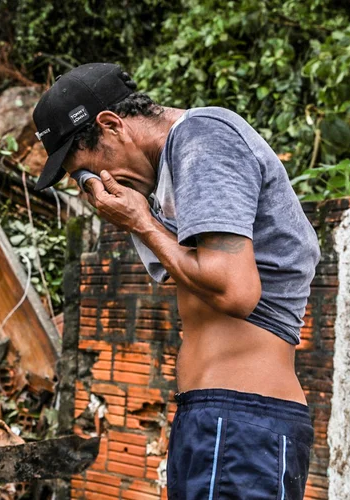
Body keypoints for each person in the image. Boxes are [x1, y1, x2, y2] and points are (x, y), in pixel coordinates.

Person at [32, 63, 320, 499]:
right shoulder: (173, 169)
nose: (91, 185)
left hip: (242, 422)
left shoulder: (203, 137)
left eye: (86, 170)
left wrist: (142, 223)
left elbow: (235, 290)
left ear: (111, 125)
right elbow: (189, 273)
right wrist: (138, 218)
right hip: (212, 418)